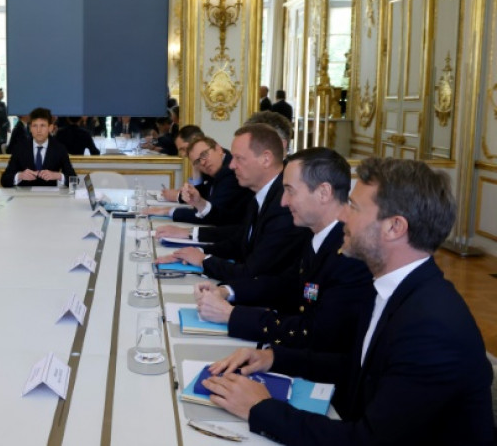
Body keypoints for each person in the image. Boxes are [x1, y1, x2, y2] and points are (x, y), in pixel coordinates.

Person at [201, 157, 494, 445]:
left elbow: (367, 441)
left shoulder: (432, 326)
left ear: (394, 227)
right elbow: (359, 369)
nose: (342, 216)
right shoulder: (394, 288)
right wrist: (274, 358)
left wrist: (260, 408)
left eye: (354, 207)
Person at [194, 147, 372, 352]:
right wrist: (227, 291)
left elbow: (315, 334)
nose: (283, 201)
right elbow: (286, 284)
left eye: (290, 190)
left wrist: (232, 315)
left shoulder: (350, 253)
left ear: (323, 193)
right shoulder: (317, 235)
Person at [156, 124, 310, 281]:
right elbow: (240, 242)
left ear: (266, 159)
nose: (231, 165)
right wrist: (197, 252)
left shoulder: (284, 205)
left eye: (239, 158)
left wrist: (204, 260)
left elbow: (252, 272)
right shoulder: (262, 193)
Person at [146, 136, 252, 226]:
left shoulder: (230, 171)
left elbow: (211, 215)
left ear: (218, 149)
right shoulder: (218, 167)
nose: (203, 163)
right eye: (198, 161)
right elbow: (203, 196)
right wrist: (196, 169)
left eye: (204, 155)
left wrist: (169, 211)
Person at [0, 107, 77, 188]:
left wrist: (58, 176)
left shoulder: (59, 149)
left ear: (50, 128)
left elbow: (75, 180)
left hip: (50, 195)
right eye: (35, 126)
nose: (38, 130)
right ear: (30, 128)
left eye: (42, 126)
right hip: (24, 195)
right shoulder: (20, 148)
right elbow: (4, 180)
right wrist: (20, 176)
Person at [0, 88, 10, 154]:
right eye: (0, 93)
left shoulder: (3, 104)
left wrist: (8, 126)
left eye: (2, 94)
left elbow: (5, 116)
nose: (2, 95)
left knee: (3, 143)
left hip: (4, 127)